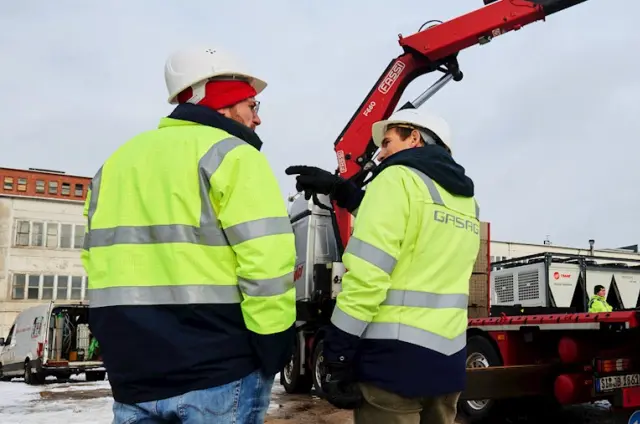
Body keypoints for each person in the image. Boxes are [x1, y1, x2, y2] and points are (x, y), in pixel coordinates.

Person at [81, 46, 298, 423]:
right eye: (252, 105)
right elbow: (267, 264)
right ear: (223, 103)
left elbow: (95, 261)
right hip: (218, 370)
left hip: (133, 372)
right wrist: (273, 346)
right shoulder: (234, 155)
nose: (257, 119)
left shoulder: (115, 163)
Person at [286, 108, 481, 424]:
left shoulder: (395, 179)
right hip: (448, 361)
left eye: (387, 142)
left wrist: (337, 352)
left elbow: (367, 277)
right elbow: (414, 232)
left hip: (395, 362)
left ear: (414, 137)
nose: (379, 154)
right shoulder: (466, 200)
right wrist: (343, 191)